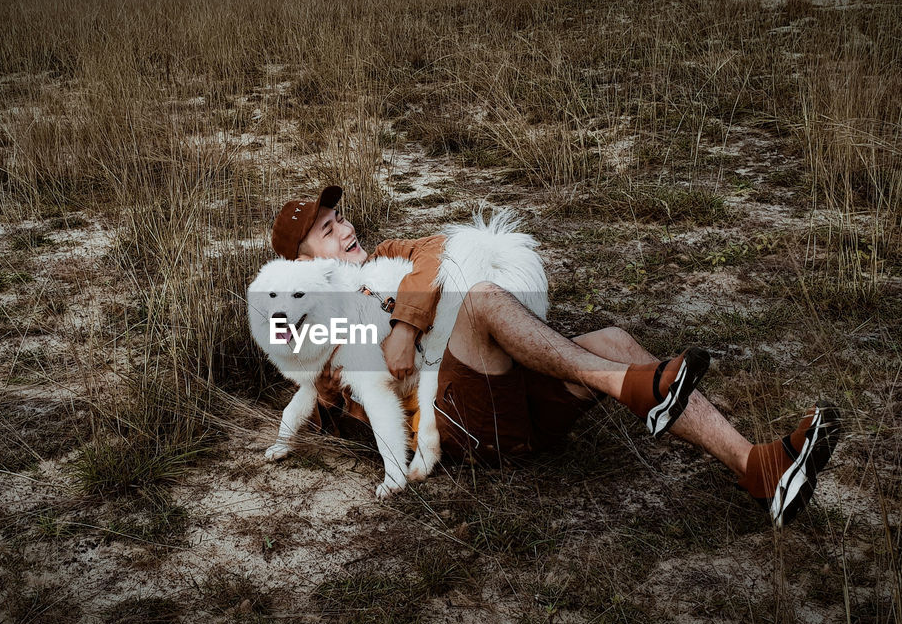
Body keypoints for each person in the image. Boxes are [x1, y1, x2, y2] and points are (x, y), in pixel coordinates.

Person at [268, 186, 841, 526]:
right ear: (300, 264)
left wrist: (402, 323)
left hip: (507, 394)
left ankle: (758, 468)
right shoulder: (314, 316)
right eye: (326, 229)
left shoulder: (387, 254)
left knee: (614, 339)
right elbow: (321, 388)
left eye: (340, 217)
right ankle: (639, 389)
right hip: (459, 423)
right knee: (484, 299)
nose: (345, 229)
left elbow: (441, 250)